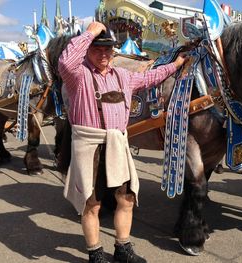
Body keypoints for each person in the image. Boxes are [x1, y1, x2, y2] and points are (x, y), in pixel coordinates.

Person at [58, 21, 187, 263]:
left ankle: (122, 248)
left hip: (117, 145)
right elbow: (65, 61)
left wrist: (176, 65)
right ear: (87, 50)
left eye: (108, 50)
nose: (103, 54)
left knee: (126, 200)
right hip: (91, 148)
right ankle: (95, 253)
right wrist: (90, 33)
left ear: (114, 51)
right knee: (92, 206)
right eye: (97, 49)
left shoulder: (123, 77)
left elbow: (151, 77)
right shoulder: (78, 76)